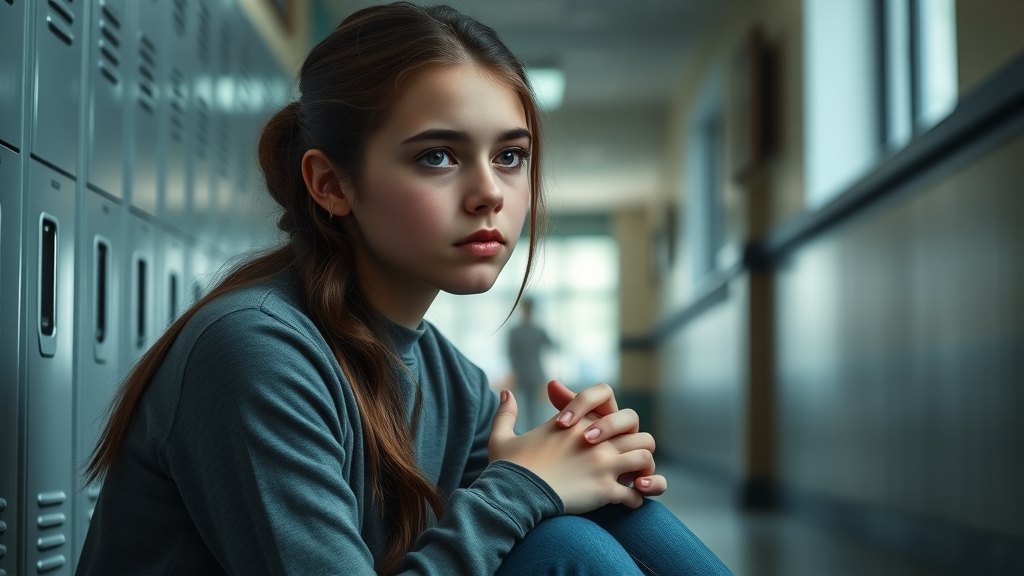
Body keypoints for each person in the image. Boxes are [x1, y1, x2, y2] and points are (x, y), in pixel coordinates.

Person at [77, 4, 734, 575]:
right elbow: (512, 507)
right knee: (567, 548)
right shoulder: (252, 350)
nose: (490, 195)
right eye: (437, 156)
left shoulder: (451, 378)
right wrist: (524, 484)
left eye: (510, 156)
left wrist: (587, 461)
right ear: (332, 184)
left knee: (608, 504)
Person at [507, 298, 555, 430]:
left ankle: (530, 434)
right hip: (530, 374)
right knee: (526, 409)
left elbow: (510, 354)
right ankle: (531, 434)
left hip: (527, 374)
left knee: (533, 409)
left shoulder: (517, 331)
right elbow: (554, 345)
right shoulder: (536, 331)